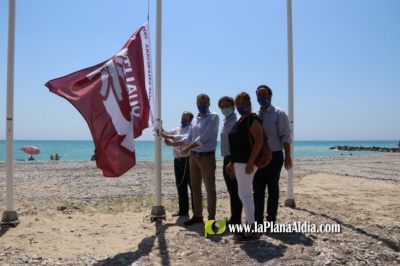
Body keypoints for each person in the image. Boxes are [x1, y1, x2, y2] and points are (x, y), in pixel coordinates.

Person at [177, 94, 219, 226]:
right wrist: (174, 142)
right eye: (200, 102)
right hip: (193, 156)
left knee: (209, 188)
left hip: (207, 156)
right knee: (195, 187)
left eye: (205, 102)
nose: (202, 104)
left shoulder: (213, 117)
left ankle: (211, 218)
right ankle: (198, 215)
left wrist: (187, 147)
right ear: (196, 103)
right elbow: (189, 137)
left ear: (209, 103)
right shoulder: (195, 119)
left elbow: (204, 137)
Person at [253, 85, 292, 226]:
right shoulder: (254, 115)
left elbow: (286, 136)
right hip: (257, 157)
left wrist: (287, 156)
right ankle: (257, 220)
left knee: (272, 189)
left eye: (264, 94)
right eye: (259, 94)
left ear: (270, 95)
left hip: (274, 156)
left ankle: (270, 219)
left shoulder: (279, 113)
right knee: (257, 189)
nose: (262, 97)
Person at [226, 92, 264, 240]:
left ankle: (252, 228)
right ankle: (251, 225)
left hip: (247, 163)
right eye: (238, 103)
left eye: (243, 103)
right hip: (239, 163)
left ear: (249, 103)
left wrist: (250, 162)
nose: (241, 106)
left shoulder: (253, 119)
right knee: (243, 194)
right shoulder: (240, 120)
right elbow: (237, 145)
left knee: (245, 194)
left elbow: (259, 142)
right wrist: (231, 162)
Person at [161, 111, 195, 217]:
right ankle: (183, 211)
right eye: (182, 118)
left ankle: (196, 211)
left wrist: (170, 138)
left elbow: (183, 138)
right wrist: (160, 125)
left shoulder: (192, 129)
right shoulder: (176, 129)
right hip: (178, 160)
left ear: (190, 120)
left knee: (192, 186)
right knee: (180, 185)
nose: (183, 121)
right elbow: (165, 133)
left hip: (188, 160)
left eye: (186, 119)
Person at [218, 96, 242, 226]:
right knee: (232, 190)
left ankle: (236, 219)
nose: (224, 109)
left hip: (235, 159)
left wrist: (232, 162)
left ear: (233, 107)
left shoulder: (237, 121)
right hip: (226, 157)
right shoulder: (225, 122)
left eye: (227, 106)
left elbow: (238, 144)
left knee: (236, 190)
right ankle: (234, 217)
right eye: (222, 107)